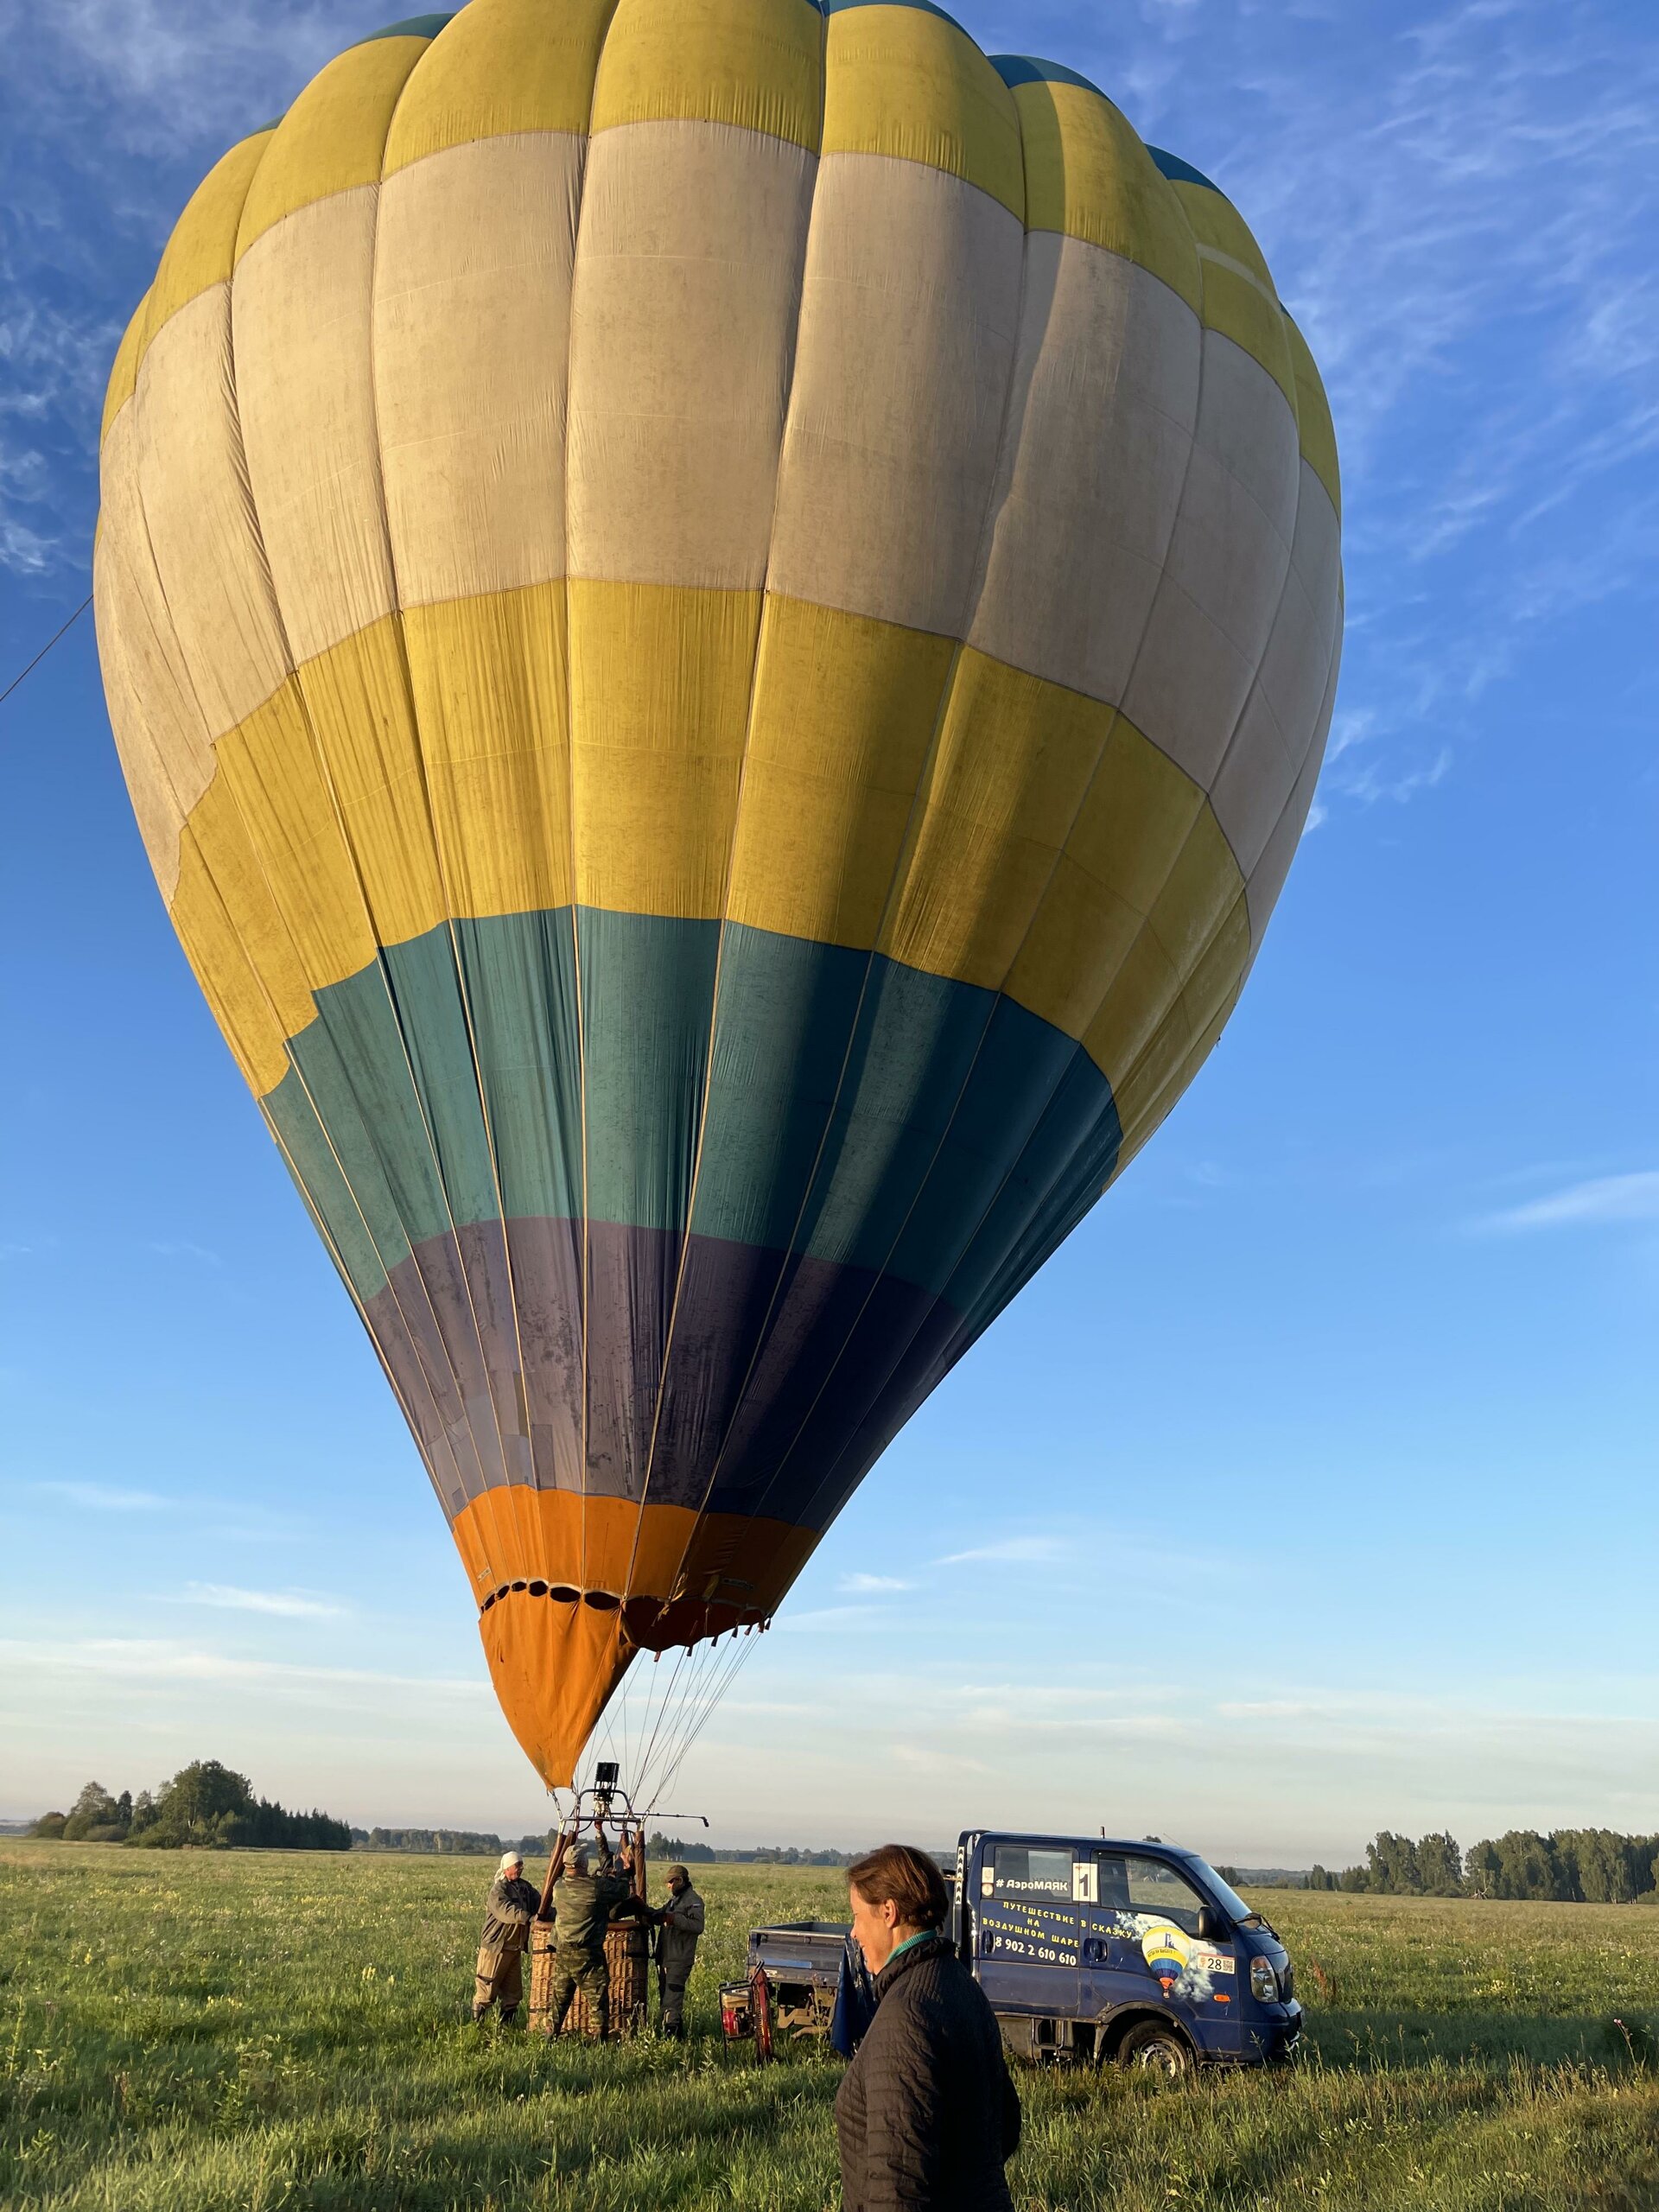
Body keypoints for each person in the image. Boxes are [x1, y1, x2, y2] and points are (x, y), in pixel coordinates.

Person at [835, 1843, 1021, 2212]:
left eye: (858, 1916)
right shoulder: (961, 1986)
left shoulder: (904, 2016)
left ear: (888, 1912)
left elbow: (897, 2187)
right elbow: (1007, 2126)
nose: (854, 1933)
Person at [546, 1840, 639, 2039]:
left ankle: (549, 2036)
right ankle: (599, 2040)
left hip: (563, 1952)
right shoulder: (595, 1887)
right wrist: (622, 1870)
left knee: (559, 1999)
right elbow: (622, 1892)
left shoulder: (558, 1887)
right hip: (587, 1954)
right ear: (582, 1865)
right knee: (598, 1999)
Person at [473, 1850, 540, 2027]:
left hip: (513, 1949)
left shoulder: (525, 1888)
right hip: (495, 1949)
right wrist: (529, 1917)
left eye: (521, 1865)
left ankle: (506, 2029)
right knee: (486, 1992)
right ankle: (476, 2028)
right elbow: (507, 1912)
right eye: (517, 1865)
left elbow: (540, 1905)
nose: (520, 1869)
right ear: (507, 1867)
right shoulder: (498, 1891)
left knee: (513, 1995)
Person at [652, 1862, 705, 2037]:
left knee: (672, 2001)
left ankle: (671, 2039)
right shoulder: (675, 1901)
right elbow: (661, 1914)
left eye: (671, 1882)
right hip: (667, 1959)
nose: (668, 1886)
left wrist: (674, 1919)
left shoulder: (693, 1901)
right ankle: (676, 2036)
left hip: (679, 1959)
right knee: (666, 1999)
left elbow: (698, 1926)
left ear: (680, 1880)